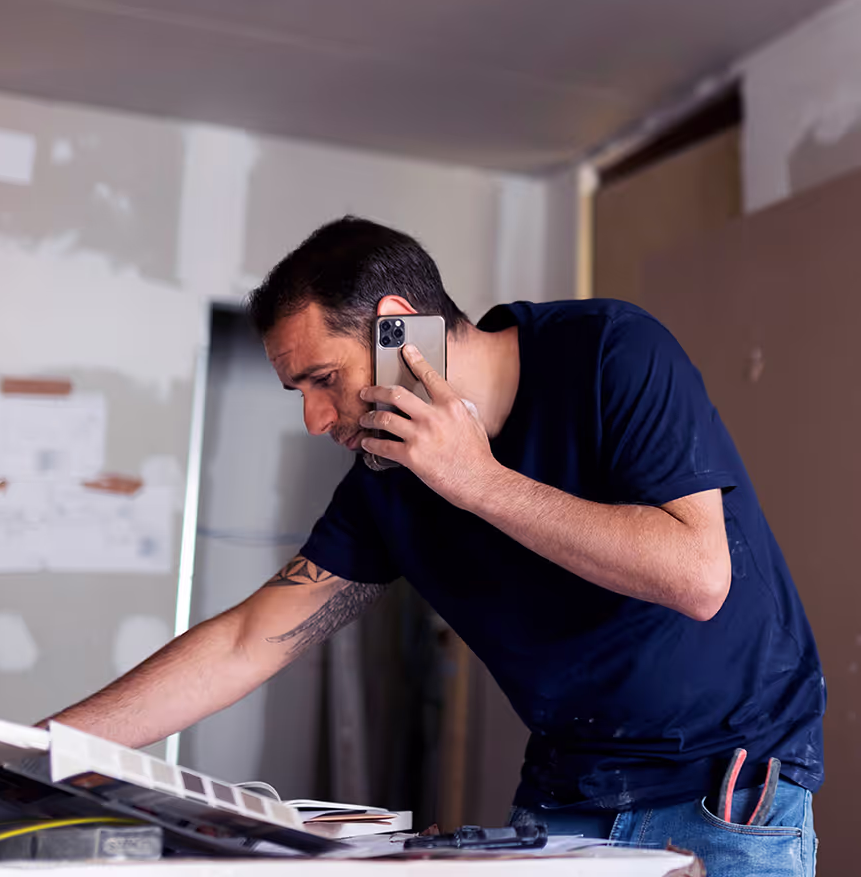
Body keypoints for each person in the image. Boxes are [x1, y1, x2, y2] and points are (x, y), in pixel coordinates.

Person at [50, 217, 823, 876]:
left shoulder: (607, 353)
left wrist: (477, 482)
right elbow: (250, 640)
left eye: (324, 379)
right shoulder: (384, 482)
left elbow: (698, 576)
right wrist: (30, 751)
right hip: (563, 802)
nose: (317, 420)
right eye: (302, 394)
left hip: (725, 796)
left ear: (397, 324)